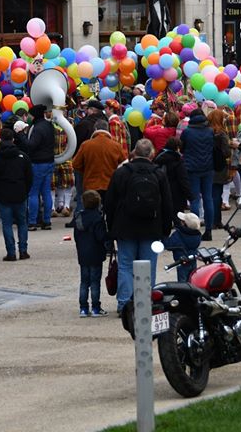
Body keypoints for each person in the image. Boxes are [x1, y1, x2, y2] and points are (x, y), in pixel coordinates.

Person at [105, 139, 173, 315]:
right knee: (148, 266)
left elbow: (110, 202)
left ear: (134, 153)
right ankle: (144, 302)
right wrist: (165, 230)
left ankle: (124, 304)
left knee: (126, 266)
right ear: (152, 154)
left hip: (125, 226)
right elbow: (167, 204)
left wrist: (111, 227)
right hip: (152, 226)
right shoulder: (159, 174)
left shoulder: (121, 173)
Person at [0, 128, 33, 261]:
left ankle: (11, 252)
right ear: (13, 139)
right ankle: (23, 250)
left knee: (6, 224)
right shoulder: (23, 156)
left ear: (0, 139)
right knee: (22, 222)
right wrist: (26, 190)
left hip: (3, 194)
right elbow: (29, 176)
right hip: (20, 192)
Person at [180, 108, 215, 239]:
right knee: (208, 198)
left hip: (192, 167)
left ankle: (194, 230)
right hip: (208, 167)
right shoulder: (210, 131)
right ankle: (209, 229)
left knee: (194, 199)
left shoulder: (187, 132)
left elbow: (182, 148)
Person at [74, 189, 110, 317]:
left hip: (83, 254)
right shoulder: (98, 218)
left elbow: (76, 236)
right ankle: (95, 307)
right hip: (95, 253)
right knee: (95, 282)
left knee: (84, 282)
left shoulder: (79, 217)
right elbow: (100, 237)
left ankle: (83, 308)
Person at [72, 119, 126, 201]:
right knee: (108, 210)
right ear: (107, 130)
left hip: (90, 185)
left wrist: (86, 169)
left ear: (95, 129)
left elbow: (76, 164)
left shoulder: (86, 145)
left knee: (91, 210)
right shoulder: (116, 146)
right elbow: (124, 164)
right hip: (109, 185)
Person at [21, 104, 55, 230]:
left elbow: (31, 144)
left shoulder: (38, 128)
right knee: (46, 192)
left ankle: (32, 221)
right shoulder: (49, 125)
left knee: (33, 193)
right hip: (49, 161)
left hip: (37, 163)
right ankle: (47, 220)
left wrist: (21, 136)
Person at [207, 109, 233, 241]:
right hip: (219, 167)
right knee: (217, 194)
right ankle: (216, 220)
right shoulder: (222, 134)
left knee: (210, 194)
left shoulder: (207, 132)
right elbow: (227, 152)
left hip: (208, 165)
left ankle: (211, 220)